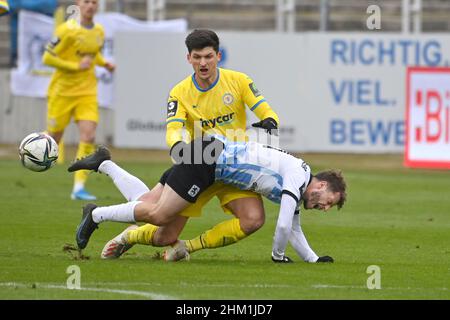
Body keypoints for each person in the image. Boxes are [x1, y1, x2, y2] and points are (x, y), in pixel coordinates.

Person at [97, 29, 280, 258]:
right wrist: (177, 146)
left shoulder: (239, 81)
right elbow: (174, 128)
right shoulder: (180, 92)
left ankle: (188, 247)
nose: (203, 63)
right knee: (162, 232)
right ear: (189, 58)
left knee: (253, 220)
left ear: (218, 56)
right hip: (200, 167)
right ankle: (128, 236)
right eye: (197, 57)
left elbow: (262, 106)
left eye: (208, 56)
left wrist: (270, 119)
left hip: (234, 166)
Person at [70, 135, 347, 263]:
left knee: (147, 203)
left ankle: (104, 164)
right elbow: (284, 226)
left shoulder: (298, 186)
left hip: (210, 160)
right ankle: (95, 215)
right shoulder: (299, 175)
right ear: (321, 184)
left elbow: (294, 228)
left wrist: (313, 260)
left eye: (328, 207)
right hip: (208, 161)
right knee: (158, 215)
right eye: (328, 200)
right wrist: (278, 257)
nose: (324, 207)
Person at [42, 0, 115, 200]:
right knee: (53, 139)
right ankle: (32, 149)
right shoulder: (66, 30)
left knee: (89, 136)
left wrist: (104, 63)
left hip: (87, 92)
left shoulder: (99, 31)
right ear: (78, 4)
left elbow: (94, 54)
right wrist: (75, 66)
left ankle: (79, 187)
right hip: (62, 92)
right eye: (86, 2)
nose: (90, 5)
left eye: (94, 2)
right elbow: (47, 58)